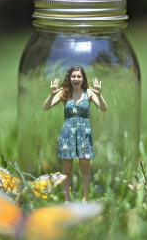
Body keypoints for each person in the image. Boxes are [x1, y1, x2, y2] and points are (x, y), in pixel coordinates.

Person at [43, 65, 107, 203]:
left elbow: (104, 108)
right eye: (73, 76)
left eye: (79, 76)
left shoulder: (88, 92)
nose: (76, 78)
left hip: (84, 133)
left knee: (85, 168)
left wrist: (99, 95)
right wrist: (52, 94)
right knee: (66, 169)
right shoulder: (64, 92)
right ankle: (66, 200)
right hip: (67, 133)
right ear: (69, 77)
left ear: (83, 78)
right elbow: (46, 107)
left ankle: (84, 199)